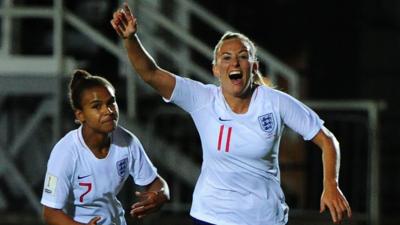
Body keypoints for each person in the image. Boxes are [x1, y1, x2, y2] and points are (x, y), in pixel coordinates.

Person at [110, 3, 352, 225]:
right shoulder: (202, 98)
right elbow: (151, 73)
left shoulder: (275, 103)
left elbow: (327, 141)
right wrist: (131, 39)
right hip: (211, 216)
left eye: (243, 57)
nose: (235, 63)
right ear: (216, 69)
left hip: (264, 218)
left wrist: (331, 184)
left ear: (253, 67)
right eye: (226, 58)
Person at [40, 69, 170, 225]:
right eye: (96, 106)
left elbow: (155, 182)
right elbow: (50, 213)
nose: (108, 111)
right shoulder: (65, 153)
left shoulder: (127, 141)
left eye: (111, 103)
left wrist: (161, 195)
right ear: (80, 115)